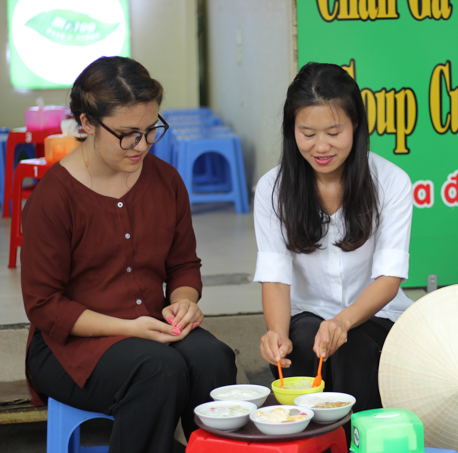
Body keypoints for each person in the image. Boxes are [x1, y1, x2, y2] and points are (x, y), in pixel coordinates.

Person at [22, 56, 237, 453]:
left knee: (213, 359)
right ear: (86, 123)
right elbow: (44, 306)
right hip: (67, 347)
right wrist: (129, 328)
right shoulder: (54, 197)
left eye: (151, 130)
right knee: (159, 370)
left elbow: (184, 265)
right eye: (127, 134)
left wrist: (184, 302)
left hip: (150, 328)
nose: (142, 145)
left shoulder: (165, 181)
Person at [254, 62, 413, 413]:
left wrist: (343, 320)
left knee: (352, 346)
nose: (321, 146)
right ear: (291, 130)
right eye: (307, 134)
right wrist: (276, 333)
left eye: (334, 132)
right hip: (307, 318)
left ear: (355, 125)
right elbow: (276, 277)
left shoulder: (392, 181)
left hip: (377, 317)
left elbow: (388, 279)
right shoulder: (272, 189)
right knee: (305, 340)